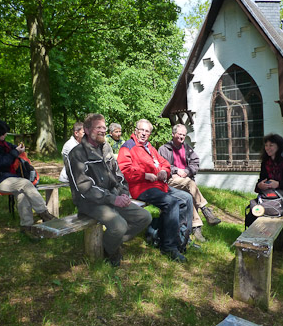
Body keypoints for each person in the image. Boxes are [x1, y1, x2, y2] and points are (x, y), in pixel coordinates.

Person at [65, 113, 152, 267]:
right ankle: (109, 251)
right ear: (86, 129)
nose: (103, 130)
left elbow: (118, 175)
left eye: (104, 127)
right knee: (119, 225)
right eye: (98, 127)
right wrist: (113, 199)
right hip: (89, 202)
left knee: (144, 217)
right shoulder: (77, 154)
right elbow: (85, 188)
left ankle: (110, 243)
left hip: (112, 196)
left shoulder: (106, 148)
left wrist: (124, 194)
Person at [117, 119, 194, 263]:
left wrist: (164, 171)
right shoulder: (128, 147)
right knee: (171, 203)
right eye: (142, 130)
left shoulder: (150, 148)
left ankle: (181, 239)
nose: (144, 134)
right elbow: (124, 170)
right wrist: (144, 175)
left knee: (187, 198)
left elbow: (164, 163)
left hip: (159, 186)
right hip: (140, 188)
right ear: (136, 130)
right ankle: (168, 247)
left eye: (147, 131)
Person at [0, 118, 57, 237]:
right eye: (3, 133)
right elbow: (1, 163)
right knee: (24, 184)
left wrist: (18, 149)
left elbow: (12, 149)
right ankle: (44, 213)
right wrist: (15, 152)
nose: (5, 135)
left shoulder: (1, 143)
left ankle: (26, 227)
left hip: (8, 177)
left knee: (22, 193)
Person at [158, 124, 221, 243]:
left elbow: (195, 162)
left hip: (185, 180)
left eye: (184, 135)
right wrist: (177, 170)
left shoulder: (187, 148)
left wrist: (187, 171)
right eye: (179, 134)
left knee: (188, 194)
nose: (182, 137)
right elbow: (163, 166)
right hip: (171, 180)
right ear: (173, 134)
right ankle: (205, 209)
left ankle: (196, 227)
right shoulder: (164, 149)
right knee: (189, 183)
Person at [246, 134, 283, 235]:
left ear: (279, 146)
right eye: (266, 145)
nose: (268, 148)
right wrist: (260, 185)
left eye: (271, 145)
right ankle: (254, 241)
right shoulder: (265, 164)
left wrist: (279, 184)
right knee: (251, 217)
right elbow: (260, 183)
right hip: (266, 200)